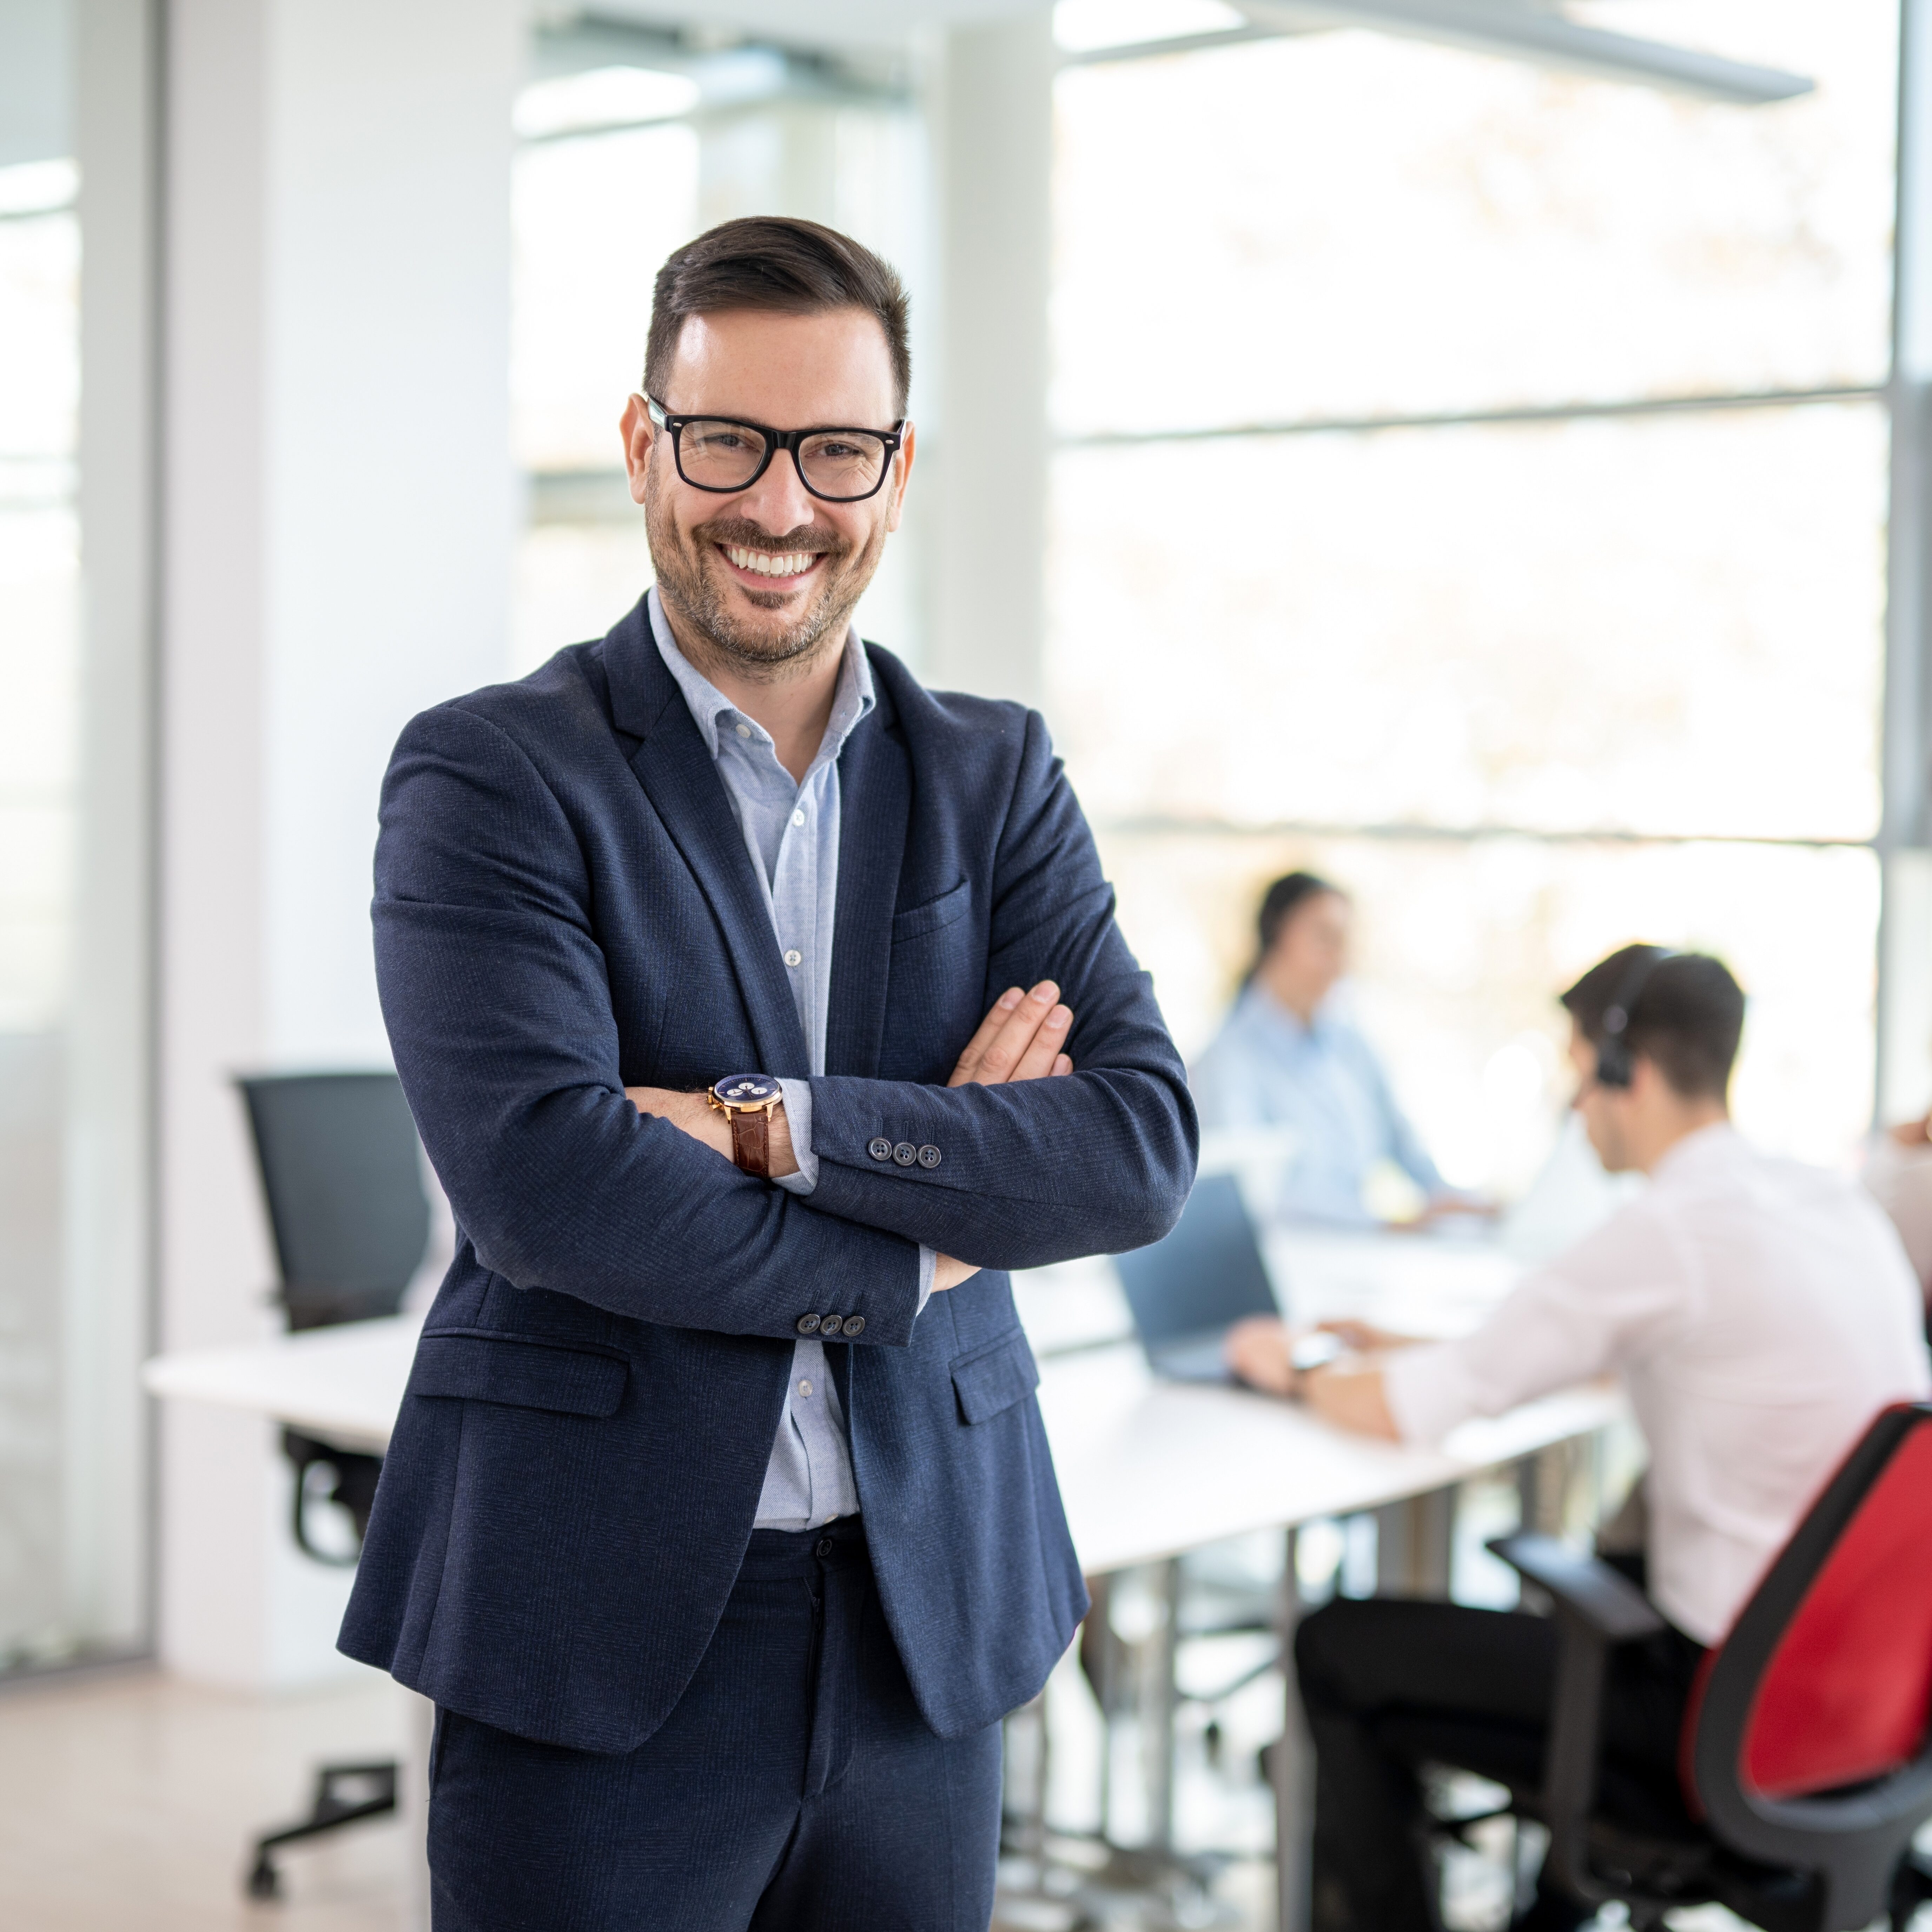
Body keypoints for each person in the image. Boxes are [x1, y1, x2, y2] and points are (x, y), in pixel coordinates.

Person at [339, 217, 1197, 1930]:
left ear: (891, 463)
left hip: (921, 1612)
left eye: (835, 450)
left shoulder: (991, 773)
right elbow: (553, 1187)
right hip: (602, 1613)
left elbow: (1129, 1145)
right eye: (727, 440)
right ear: (645, 439)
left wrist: (759, 1123)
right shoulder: (494, 772)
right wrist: (938, 1226)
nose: (780, 506)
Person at [1224, 945, 1931, 1932]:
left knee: (1336, 1645)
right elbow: (1596, 1347)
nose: (1574, 1104)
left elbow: (1413, 1410)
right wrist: (1413, 1344)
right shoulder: (1824, 1203)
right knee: (1614, 1565)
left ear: (1618, 1071)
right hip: (1857, 1708)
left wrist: (1290, 1367)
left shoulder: (1671, 1227)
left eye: (1575, 1070)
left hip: (1713, 1715)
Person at [1190, 871, 1454, 1224]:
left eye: (1344, 941)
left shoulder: (1351, 1044)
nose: (1340, 958)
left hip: (1361, 1254)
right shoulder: (1226, 1061)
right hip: (1294, 1257)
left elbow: (1403, 1142)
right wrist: (1384, 1224)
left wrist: (1456, 1203)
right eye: (1324, 938)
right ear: (1274, 937)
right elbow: (1249, 1191)